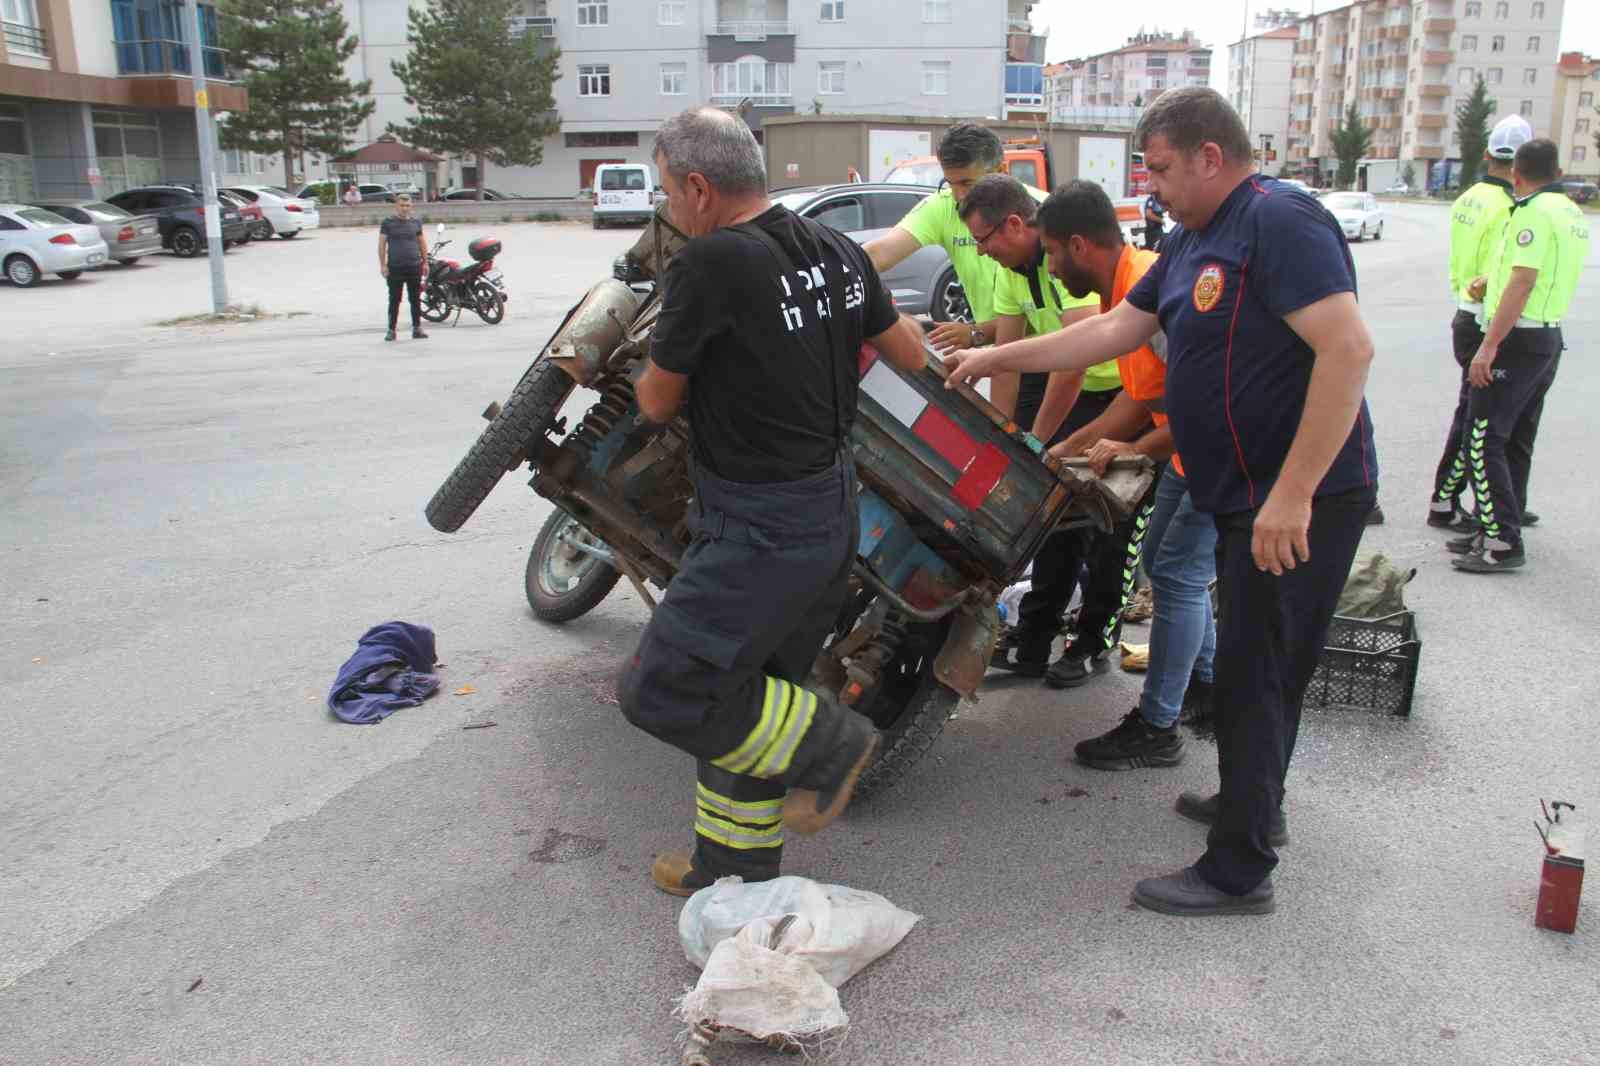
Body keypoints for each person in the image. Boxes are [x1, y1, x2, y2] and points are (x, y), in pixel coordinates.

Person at [946, 88, 1378, 916]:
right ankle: (1257, 802)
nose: (1154, 189)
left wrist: (1294, 494)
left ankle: (1237, 869)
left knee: (1257, 671)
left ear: (1212, 156)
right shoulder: (1191, 239)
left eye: (1166, 169)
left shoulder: (1280, 221)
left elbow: (1349, 350)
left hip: (1297, 499)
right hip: (1242, 493)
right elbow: (1109, 334)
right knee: (1265, 664)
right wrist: (992, 359)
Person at [616, 107, 928, 898]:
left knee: (665, 686)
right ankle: (732, 870)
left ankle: (832, 747)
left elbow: (655, 402)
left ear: (697, 186)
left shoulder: (711, 263)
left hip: (758, 525)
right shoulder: (836, 250)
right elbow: (907, 352)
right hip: (830, 512)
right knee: (754, 694)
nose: (669, 210)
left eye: (666, 193)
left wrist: (656, 359)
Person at [1026, 179, 1217, 773]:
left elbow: (1200, 407)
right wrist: (1063, 448)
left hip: (1216, 452)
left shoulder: (1145, 286)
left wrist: (1134, 447)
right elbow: (1138, 400)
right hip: (1189, 453)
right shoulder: (1128, 288)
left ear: (1079, 245)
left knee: (1179, 579)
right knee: (1163, 564)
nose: (1051, 268)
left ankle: (1158, 727)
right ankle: (1209, 686)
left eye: (1053, 253)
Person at [954, 175, 1134, 686]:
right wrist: (1006, 436)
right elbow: (1005, 362)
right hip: (1068, 396)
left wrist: (1039, 443)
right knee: (1051, 524)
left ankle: (1093, 640)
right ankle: (1033, 641)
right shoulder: (1010, 270)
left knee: (1110, 528)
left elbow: (1075, 360)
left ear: (1015, 224)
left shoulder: (1065, 261)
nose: (982, 252)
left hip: (1118, 393)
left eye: (985, 240)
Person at [1447, 138, 1589, 573]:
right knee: (1514, 438)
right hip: (1547, 338)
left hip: (1517, 339)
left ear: (1518, 175)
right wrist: (1491, 278)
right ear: (1559, 170)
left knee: (1482, 438)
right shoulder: (1571, 212)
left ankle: (1501, 541)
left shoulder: (1531, 212)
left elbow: (1524, 280)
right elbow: (1531, 272)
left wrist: (1489, 346)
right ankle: (1498, 524)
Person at [864, 123, 1049, 426]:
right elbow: (879, 254)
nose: (960, 197)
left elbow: (1051, 320)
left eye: (968, 183)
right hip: (1003, 353)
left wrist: (977, 334)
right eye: (950, 184)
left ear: (1002, 169)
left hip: (1050, 356)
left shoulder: (1037, 212)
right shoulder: (945, 206)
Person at [1428, 115, 1532, 532]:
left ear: (1487, 154)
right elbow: (1502, 270)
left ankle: (1448, 500)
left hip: (1462, 313)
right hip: (1484, 316)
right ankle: (1446, 500)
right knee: (1476, 420)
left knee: (1470, 412)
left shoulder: (1467, 198)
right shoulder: (1510, 208)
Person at [378, 194, 428, 342]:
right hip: (395, 268)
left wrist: (425, 262)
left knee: (415, 299)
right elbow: (382, 245)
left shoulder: (416, 222)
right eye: (401, 205)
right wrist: (383, 264)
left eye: (407, 206)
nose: (404, 208)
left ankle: (417, 328)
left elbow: (421, 242)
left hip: (414, 266)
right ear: (396, 206)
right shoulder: (388, 223)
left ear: (411, 207)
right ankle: (391, 330)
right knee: (394, 300)